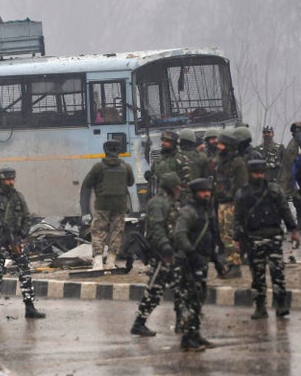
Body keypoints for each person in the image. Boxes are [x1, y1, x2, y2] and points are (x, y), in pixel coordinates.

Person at [0, 167, 46, 321]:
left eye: (12, 179)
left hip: (15, 240)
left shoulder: (18, 197)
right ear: (1, 180)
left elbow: (27, 217)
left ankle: (29, 306)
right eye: (8, 180)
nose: (11, 182)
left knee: (25, 272)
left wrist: (22, 235)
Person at [234, 160, 299, 319]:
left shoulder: (274, 190)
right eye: (256, 173)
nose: (259, 176)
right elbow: (238, 218)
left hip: (274, 236)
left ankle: (281, 306)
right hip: (254, 238)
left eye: (262, 173)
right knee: (257, 275)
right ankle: (260, 307)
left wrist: (293, 230)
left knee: (277, 273)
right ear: (250, 173)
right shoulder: (242, 194)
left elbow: (285, 210)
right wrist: (237, 239)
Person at [130, 172, 182, 337]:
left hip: (172, 253)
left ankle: (182, 322)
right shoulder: (158, 203)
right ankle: (139, 324)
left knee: (181, 288)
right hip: (161, 255)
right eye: (177, 187)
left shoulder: (169, 202)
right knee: (154, 290)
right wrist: (165, 246)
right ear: (172, 188)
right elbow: (157, 227)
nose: (180, 189)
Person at [173, 178, 220, 352]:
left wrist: (216, 260)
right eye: (202, 191)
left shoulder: (206, 210)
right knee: (190, 299)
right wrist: (192, 254)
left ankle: (195, 334)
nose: (206, 194)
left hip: (202, 261)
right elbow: (179, 236)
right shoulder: (188, 211)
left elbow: (211, 235)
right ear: (194, 193)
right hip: (188, 262)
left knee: (199, 298)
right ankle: (187, 339)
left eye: (208, 191)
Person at [80, 139, 135, 270]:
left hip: (102, 205)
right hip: (120, 205)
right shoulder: (126, 167)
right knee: (116, 232)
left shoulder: (98, 167)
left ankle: (98, 262)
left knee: (98, 231)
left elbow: (87, 183)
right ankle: (110, 262)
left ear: (105, 151)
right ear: (118, 151)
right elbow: (131, 182)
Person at [213, 129, 247, 278]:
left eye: (221, 144)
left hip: (232, 204)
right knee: (223, 235)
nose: (218, 146)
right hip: (221, 203)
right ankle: (230, 262)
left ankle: (235, 265)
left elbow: (241, 185)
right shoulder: (221, 161)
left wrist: (237, 204)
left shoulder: (238, 162)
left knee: (231, 235)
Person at [175, 129, 209, 204]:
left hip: (180, 198)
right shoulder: (202, 157)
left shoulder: (175, 157)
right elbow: (206, 177)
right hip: (198, 196)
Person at [278, 122, 301, 225]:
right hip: (295, 179)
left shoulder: (293, 144)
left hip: (295, 179)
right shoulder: (293, 144)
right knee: (297, 202)